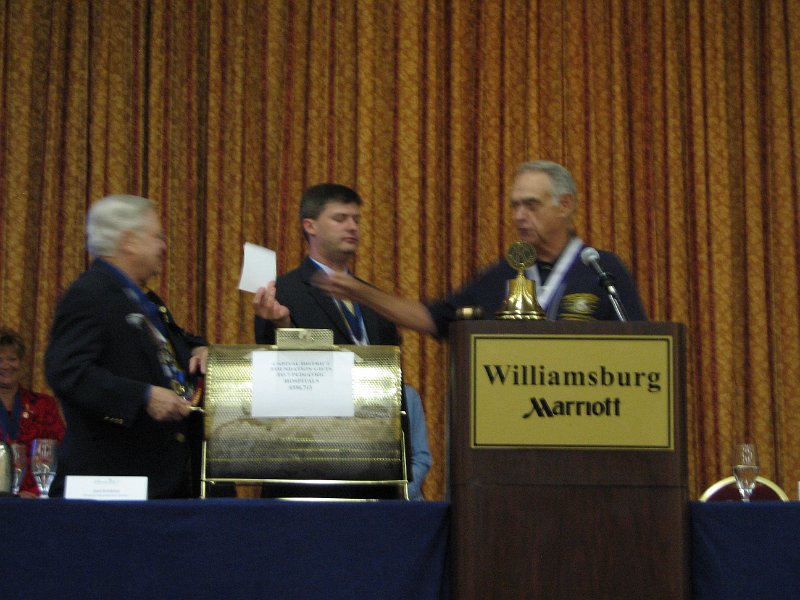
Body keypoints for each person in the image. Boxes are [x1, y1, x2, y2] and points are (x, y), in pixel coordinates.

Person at [313, 160, 647, 336]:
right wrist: (360, 292)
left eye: (531, 205)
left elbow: (641, 350)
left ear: (565, 205)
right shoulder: (506, 273)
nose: (519, 216)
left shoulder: (601, 270)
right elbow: (432, 318)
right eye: (515, 206)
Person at [253, 183, 430, 499]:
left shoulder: (373, 298)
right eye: (340, 218)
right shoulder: (283, 291)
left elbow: (393, 381)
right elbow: (279, 377)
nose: (352, 226)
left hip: (376, 469)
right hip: (309, 468)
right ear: (310, 226)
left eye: (356, 219)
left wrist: (400, 471)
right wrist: (282, 325)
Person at [45, 195, 208, 499]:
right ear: (129, 241)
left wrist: (197, 349)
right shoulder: (90, 293)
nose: (163, 246)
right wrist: (143, 396)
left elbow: (164, 345)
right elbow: (66, 371)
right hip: (114, 485)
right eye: (157, 237)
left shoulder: (142, 300)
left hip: (161, 483)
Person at [0, 327, 65, 497]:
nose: (5, 366)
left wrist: (37, 494)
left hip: (37, 500)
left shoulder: (44, 405)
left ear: (21, 363)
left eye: (12, 359)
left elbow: (61, 455)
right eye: (0, 360)